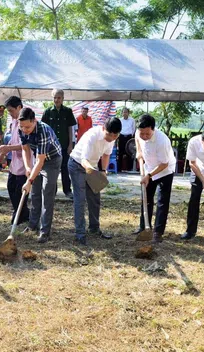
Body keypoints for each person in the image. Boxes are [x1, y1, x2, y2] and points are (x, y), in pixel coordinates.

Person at [68, 117, 121, 245]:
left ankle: (94, 228)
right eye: (109, 134)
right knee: (80, 199)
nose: (111, 138)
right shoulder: (91, 136)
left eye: (115, 135)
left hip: (92, 167)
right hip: (78, 165)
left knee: (95, 197)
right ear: (103, 128)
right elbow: (83, 160)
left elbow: (106, 154)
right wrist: (92, 172)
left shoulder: (112, 138)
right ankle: (80, 234)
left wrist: (103, 171)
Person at [19, 107, 62, 243]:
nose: (24, 130)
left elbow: (40, 160)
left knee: (46, 193)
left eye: (27, 127)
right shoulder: (21, 128)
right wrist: (27, 168)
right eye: (22, 127)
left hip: (52, 160)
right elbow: (25, 150)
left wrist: (29, 180)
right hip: (38, 160)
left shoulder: (43, 131)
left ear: (34, 121)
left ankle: (45, 232)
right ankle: (32, 225)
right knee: (35, 194)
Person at [133, 114, 176, 243]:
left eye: (147, 134)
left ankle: (158, 232)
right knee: (146, 198)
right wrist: (139, 152)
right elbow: (137, 139)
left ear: (153, 129)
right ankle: (144, 227)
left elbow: (164, 164)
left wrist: (149, 175)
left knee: (162, 201)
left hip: (165, 171)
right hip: (148, 169)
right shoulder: (139, 132)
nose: (144, 136)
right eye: (142, 134)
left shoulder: (162, 141)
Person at [0, 96, 30, 225]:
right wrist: (3, 153)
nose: (10, 114)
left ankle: (21, 214)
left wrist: (9, 148)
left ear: (19, 108)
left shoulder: (27, 123)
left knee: (20, 191)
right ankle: (21, 212)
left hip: (25, 163)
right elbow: (13, 140)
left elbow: (26, 146)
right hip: (14, 162)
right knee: (10, 187)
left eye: (11, 111)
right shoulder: (14, 122)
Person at [41, 89, 77, 199]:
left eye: (59, 97)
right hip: (51, 148)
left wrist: (71, 144)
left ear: (62, 98)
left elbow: (70, 128)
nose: (56, 100)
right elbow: (43, 129)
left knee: (65, 168)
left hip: (65, 145)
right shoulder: (47, 112)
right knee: (52, 170)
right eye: (55, 97)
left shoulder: (68, 111)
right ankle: (53, 191)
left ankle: (67, 190)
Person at [117, 107, 135, 172]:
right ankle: (119, 169)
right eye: (124, 112)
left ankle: (129, 168)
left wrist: (131, 135)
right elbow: (118, 128)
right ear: (122, 113)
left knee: (129, 153)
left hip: (129, 137)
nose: (125, 113)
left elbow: (133, 129)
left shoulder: (132, 120)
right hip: (121, 136)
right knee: (120, 153)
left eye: (126, 112)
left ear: (128, 113)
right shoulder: (120, 120)